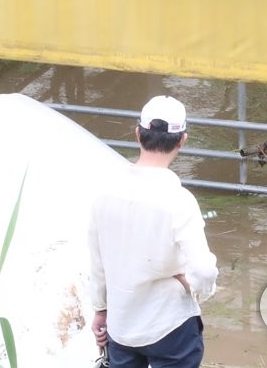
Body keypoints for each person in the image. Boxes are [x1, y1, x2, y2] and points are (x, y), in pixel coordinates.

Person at [88, 95, 219, 368]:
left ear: (138, 134)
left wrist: (101, 308)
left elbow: (97, 260)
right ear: (182, 140)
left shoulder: (104, 191)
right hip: (170, 325)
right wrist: (194, 287)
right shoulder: (180, 201)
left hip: (121, 325)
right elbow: (204, 271)